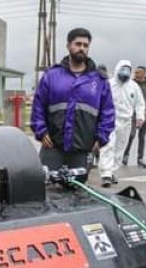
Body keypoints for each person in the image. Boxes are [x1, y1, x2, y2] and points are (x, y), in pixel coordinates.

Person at [31, 28, 115, 176]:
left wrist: (101, 138)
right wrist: (41, 131)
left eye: (85, 45)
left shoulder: (99, 80)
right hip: (52, 147)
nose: (81, 48)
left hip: (82, 150)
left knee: (77, 194)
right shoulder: (51, 75)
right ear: (68, 46)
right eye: (78, 44)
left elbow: (108, 113)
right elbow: (38, 106)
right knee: (47, 190)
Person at [98, 60, 145, 187]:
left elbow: (140, 103)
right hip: (110, 120)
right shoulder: (109, 84)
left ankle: (112, 170)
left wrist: (140, 117)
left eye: (127, 70)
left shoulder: (134, 86)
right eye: (123, 69)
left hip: (126, 122)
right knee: (108, 145)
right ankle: (105, 174)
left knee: (120, 148)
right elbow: (100, 100)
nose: (125, 73)